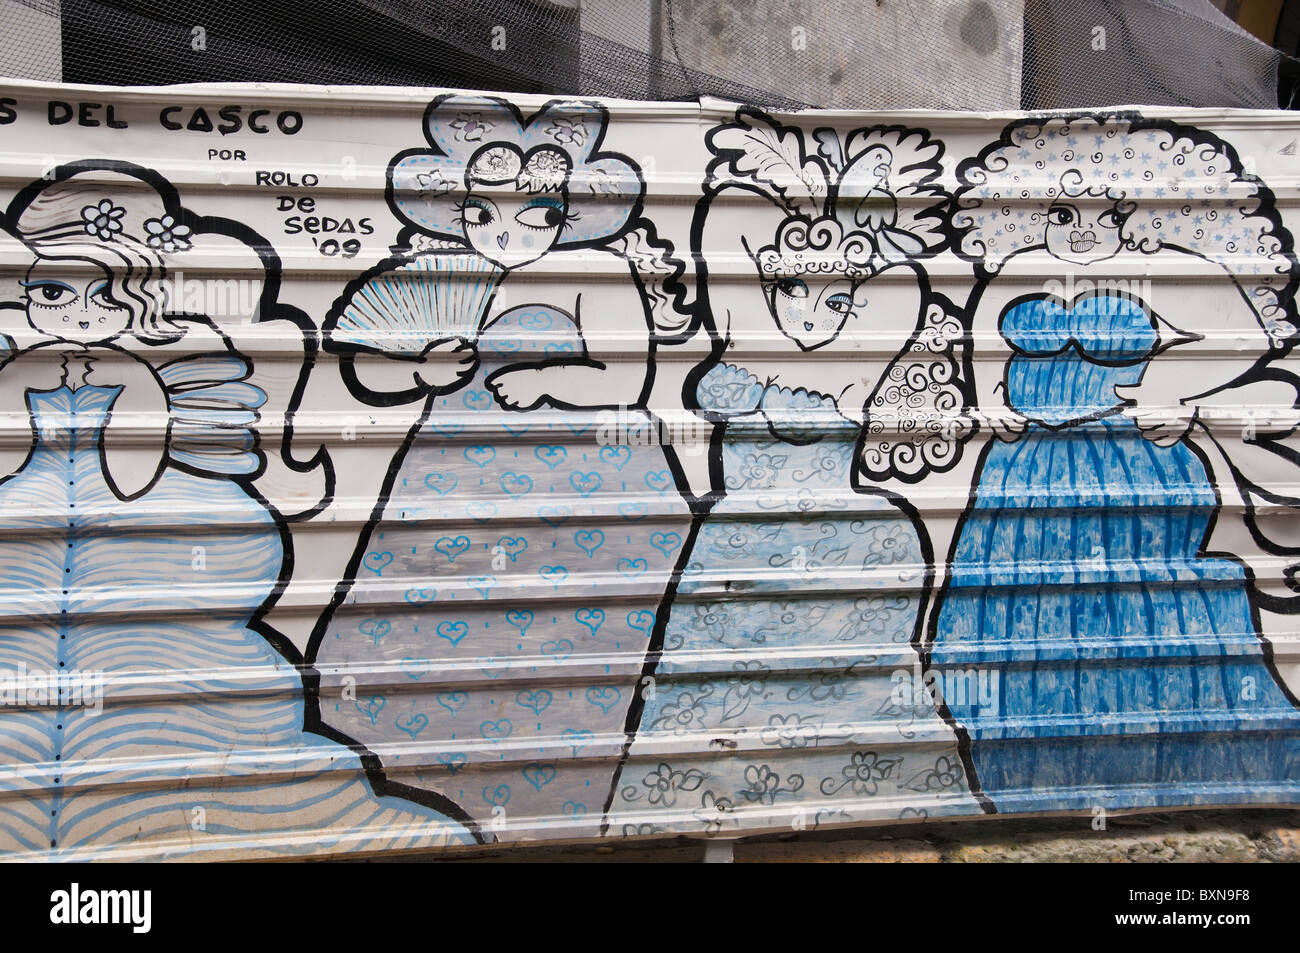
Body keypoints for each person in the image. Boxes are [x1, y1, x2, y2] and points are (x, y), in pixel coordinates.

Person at [0, 162, 473, 858]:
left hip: (155, 587)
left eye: (109, 294)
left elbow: (154, 485)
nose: (77, 314)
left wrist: (130, 387)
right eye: (50, 290)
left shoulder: (178, 382)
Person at [313, 95, 695, 839]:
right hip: (451, 484)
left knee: (577, 639)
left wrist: (550, 381)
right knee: (428, 624)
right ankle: (408, 786)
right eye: (479, 215)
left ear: (570, 212)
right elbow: (368, 365)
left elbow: (625, 379)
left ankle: (551, 800)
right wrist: (422, 367)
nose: (505, 232)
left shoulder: (600, 272)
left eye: (533, 214)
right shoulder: (445, 272)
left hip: (597, 488)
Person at [605, 110, 984, 836]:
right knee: (725, 681)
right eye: (792, 288)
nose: (814, 314)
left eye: (838, 298)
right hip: (741, 546)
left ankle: (842, 801)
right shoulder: (736, 365)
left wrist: (848, 221)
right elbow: (722, 233)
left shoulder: (854, 378)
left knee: (850, 681)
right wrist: (795, 200)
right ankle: (721, 808)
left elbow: (902, 286)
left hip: (854, 536)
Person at [930, 114, 1300, 812]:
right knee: (1023, 617)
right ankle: (1022, 775)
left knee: (1131, 608)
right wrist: (991, 403)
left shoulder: (1167, 267)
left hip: (1132, 464)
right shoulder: (1015, 268)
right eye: (1063, 209)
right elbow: (979, 338)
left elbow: (1253, 331)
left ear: (1131, 207)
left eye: (1102, 209)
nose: (1079, 227)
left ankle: (1150, 769)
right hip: (1026, 472)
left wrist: (1176, 390)